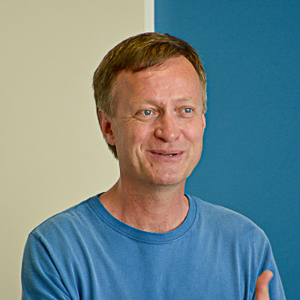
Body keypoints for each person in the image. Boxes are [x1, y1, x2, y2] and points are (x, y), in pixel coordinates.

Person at [21, 32, 285, 299]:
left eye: (185, 110)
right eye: (147, 112)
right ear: (108, 126)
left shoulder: (245, 244)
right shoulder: (57, 248)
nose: (169, 133)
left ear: (203, 121)